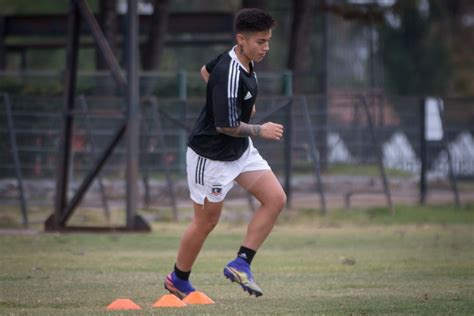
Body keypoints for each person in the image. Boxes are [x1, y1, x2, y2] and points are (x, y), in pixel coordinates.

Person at [164, 8, 286, 298]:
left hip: (240, 151)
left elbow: (204, 72)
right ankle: (178, 279)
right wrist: (259, 129)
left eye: (268, 41)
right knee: (206, 222)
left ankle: (241, 263)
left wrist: (232, 103)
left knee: (276, 199)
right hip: (211, 156)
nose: (265, 47)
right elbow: (225, 125)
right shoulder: (229, 69)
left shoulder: (239, 57)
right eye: (260, 42)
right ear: (241, 39)